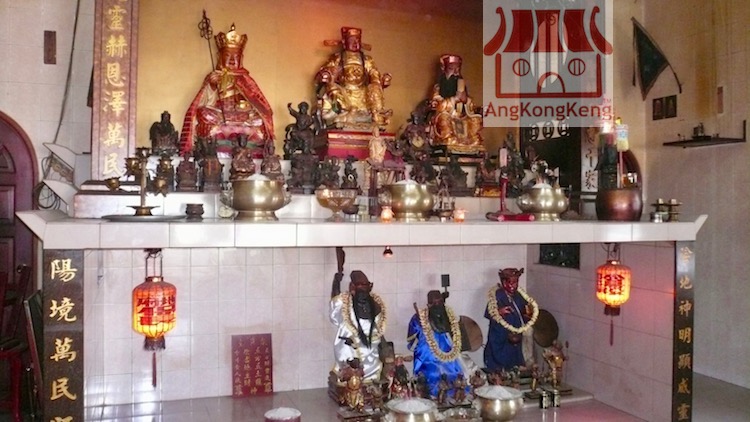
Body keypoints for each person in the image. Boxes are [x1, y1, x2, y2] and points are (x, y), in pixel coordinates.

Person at [180, 24, 274, 156]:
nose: (232, 61)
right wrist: (212, 86)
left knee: (259, 119)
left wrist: (247, 107)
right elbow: (204, 102)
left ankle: (245, 141)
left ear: (241, 58)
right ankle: (215, 143)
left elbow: (260, 104)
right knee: (203, 113)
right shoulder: (215, 76)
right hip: (219, 115)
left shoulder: (246, 79)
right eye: (228, 56)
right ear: (220, 57)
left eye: (235, 57)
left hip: (243, 116)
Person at [316, 27, 392, 129]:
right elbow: (328, 70)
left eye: (357, 40)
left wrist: (377, 82)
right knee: (333, 88)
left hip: (362, 91)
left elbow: (373, 72)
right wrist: (327, 74)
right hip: (344, 89)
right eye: (352, 40)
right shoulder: (338, 57)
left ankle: (376, 113)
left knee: (374, 88)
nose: (355, 43)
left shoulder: (366, 59)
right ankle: (343, 111)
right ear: (344, 42)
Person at [330, 269, 387, 382]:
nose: (363, 292)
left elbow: (378, 330)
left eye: (366, 287)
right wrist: (337, 280)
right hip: (350, 348)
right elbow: (334, 300)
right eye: (360, 288)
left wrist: (385, 347)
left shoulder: (375, 305)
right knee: (349, 358)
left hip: (371, 347)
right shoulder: (344, 303)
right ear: (352, 288)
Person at [407, 290, 466, 399]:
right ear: (428, 304)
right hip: (427, 359)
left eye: (440, 302)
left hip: (448, 358)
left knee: (455, 375)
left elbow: (457, 337)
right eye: (434, 303)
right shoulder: (418, 318)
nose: (437, 305)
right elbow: (412, 343)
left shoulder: (449, 316)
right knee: (431, 377)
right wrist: (421, 329)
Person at [484, 268, 539, 372]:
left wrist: (529, 314)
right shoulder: (497, 296)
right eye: (511, 282)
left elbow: (523, 313)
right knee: (500, 365)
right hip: (500, 336)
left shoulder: (519, 295)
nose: (514, 285)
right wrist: (499, 312)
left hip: (515, 336)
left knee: (516, 360)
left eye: (516, 282)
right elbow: (488, 313)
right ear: (504, 283)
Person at [429, 54, 483, 153]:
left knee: (476, 119)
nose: (455, 72)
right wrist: (454, 99)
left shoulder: (461, 83)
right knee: (443, 118)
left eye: (457, 69)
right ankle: (447, 137)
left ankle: (473, 139)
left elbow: (470, 105)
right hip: (448, 114)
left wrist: (466, 100)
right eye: (451, 69)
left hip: (462, 114)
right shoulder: (438, 87)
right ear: (444, 69)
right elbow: (437, 103)